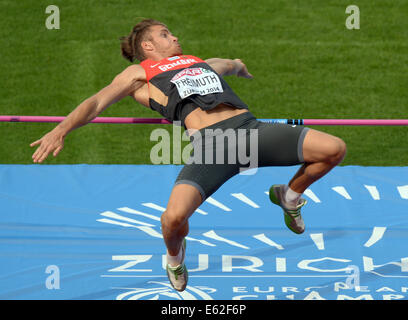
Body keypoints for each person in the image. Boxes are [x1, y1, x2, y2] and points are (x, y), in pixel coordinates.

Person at [30, 19, 346, 292]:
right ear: (147, 45)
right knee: (172, 220)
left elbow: (230, 64)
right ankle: (175, 259)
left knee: (334, 149)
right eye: (166, 34)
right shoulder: (140, 73)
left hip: (251, 131)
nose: (175, 37)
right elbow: (96, 104)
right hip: (212, 147)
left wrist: (240, 66)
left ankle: (289, 197)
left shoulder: (201, 63)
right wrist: (61, 130)